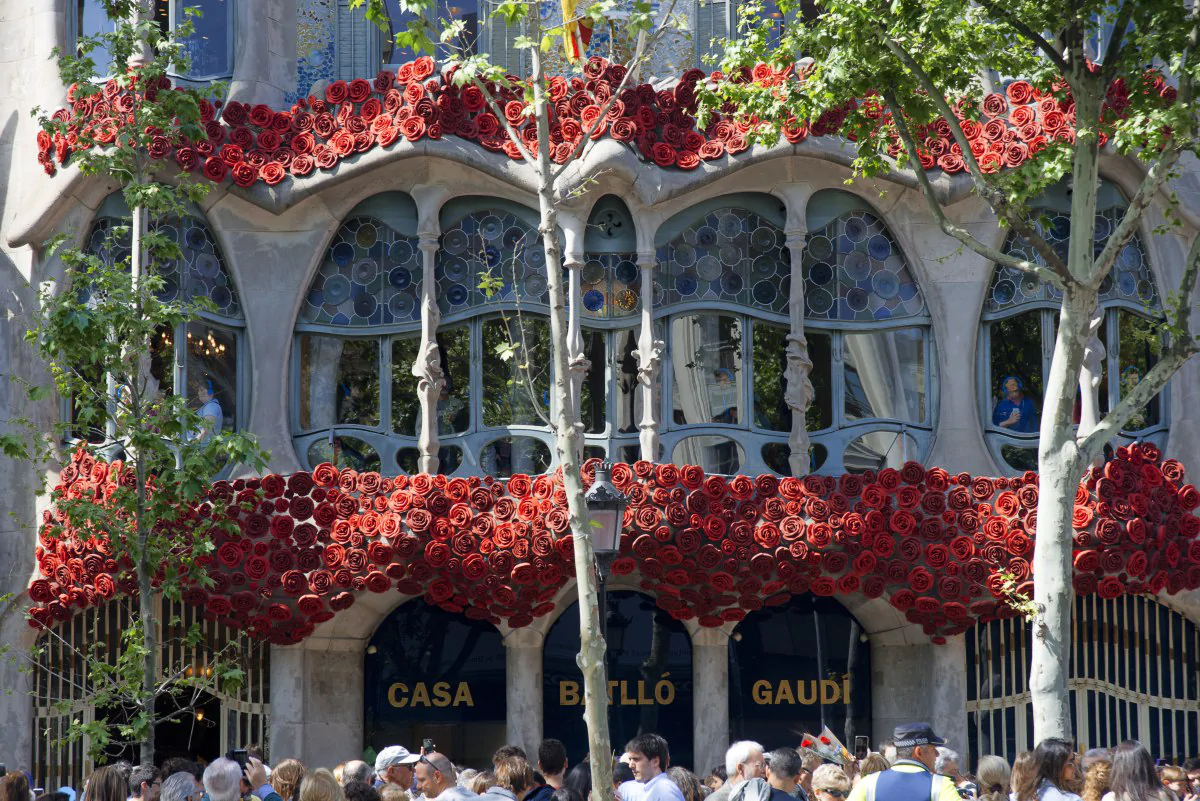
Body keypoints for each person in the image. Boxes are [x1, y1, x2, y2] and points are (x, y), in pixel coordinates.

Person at [846, 723, 960, 801]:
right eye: (933, 749)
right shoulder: (940, 785)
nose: (937, 754)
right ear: (919, 752)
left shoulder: (868, 783)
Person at [619, 734, 686, 801]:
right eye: (630, 759)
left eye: (636, 759)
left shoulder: (665, 791)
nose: (630, 765)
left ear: (655, 762)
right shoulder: (638, 788)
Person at [1012, 738, 1080, 801]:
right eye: (1071, 760)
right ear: (1057, 766)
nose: (1075, 764)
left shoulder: (1017, 797)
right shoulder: (1071, 799)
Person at [192, 379, 223, 443]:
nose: (198, 393)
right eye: (198, 390)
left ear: (210, 392)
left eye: (201, 390)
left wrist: (192, 445)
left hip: (201, 447)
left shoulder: (211, 406)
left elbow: (206, 430)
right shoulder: (208, 405)